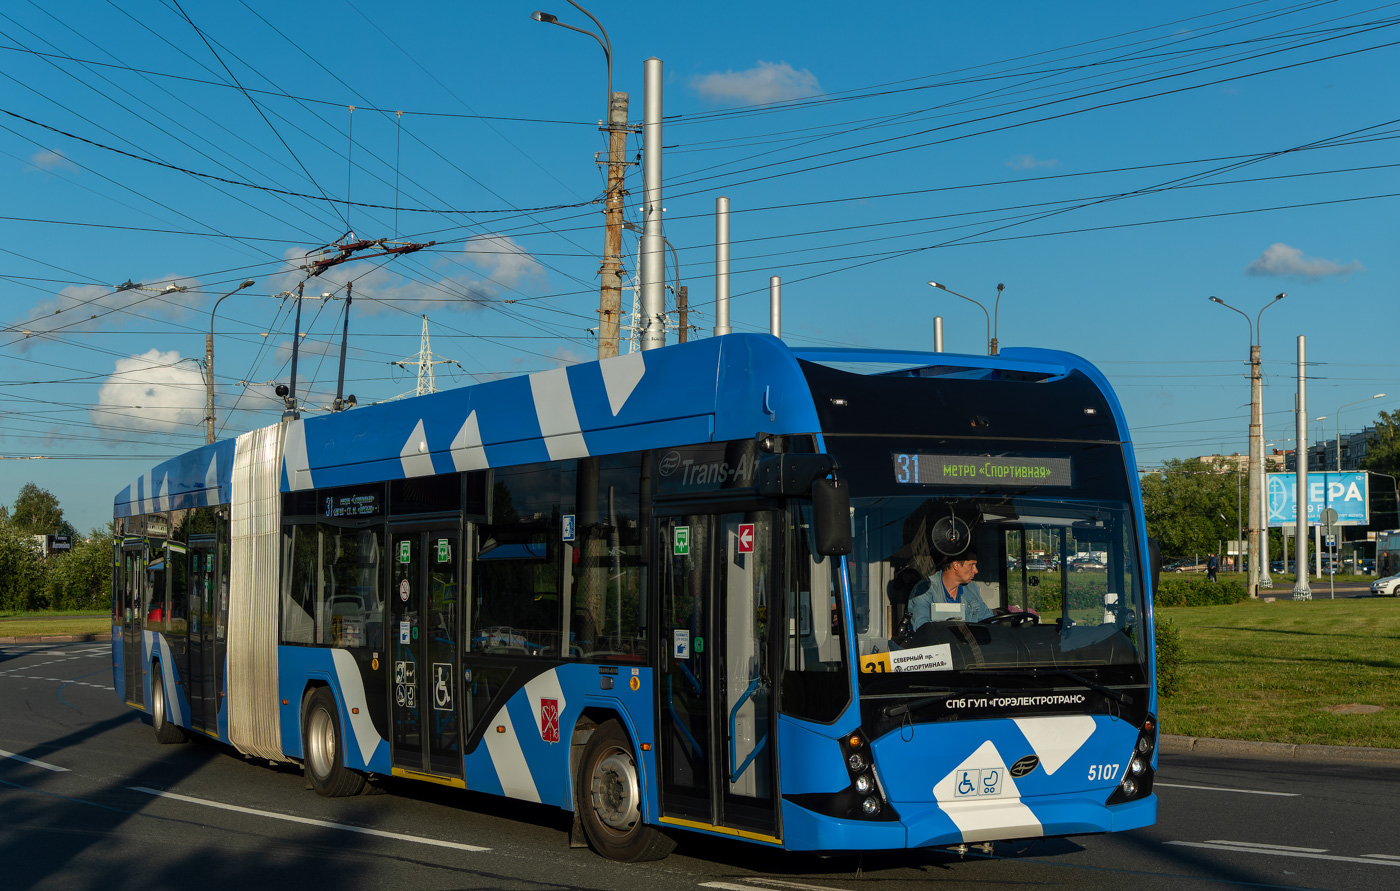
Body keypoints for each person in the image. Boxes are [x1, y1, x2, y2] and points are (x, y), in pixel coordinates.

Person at [907, 549, 992, 627]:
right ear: (956, 565)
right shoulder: (925, 590)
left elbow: (987, 619)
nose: (976, 570)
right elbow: (922, 628)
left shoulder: (972, 588)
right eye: (971, 565)